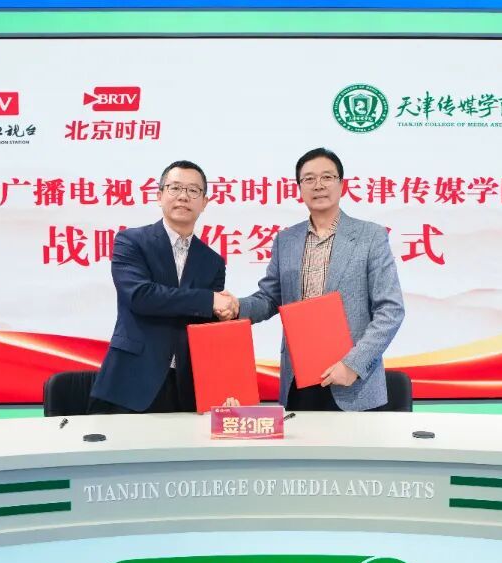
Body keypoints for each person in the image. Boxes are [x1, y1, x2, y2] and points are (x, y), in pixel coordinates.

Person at [220, 147, 405, 411]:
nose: (318, 185)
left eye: (327, 177)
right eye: (309, 179)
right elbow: (270, 298)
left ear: (342, 184)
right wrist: (237, 306)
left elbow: (391, 310)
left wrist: (353, 365)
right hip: (299, 379)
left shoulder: (370, 236)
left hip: (353, 383)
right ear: (299, 188)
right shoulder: (286, 240)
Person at [89, 160, 237, 413]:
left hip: (186, 387)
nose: (183, 196)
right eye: (175, 188)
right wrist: (209, 300)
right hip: (130, 381)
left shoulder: (213, 262)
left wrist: (225, 312)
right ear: (159, 196)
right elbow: (141, 296)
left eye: (193, 190)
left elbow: (206, 329)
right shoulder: (131, 241)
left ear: (204, 202)